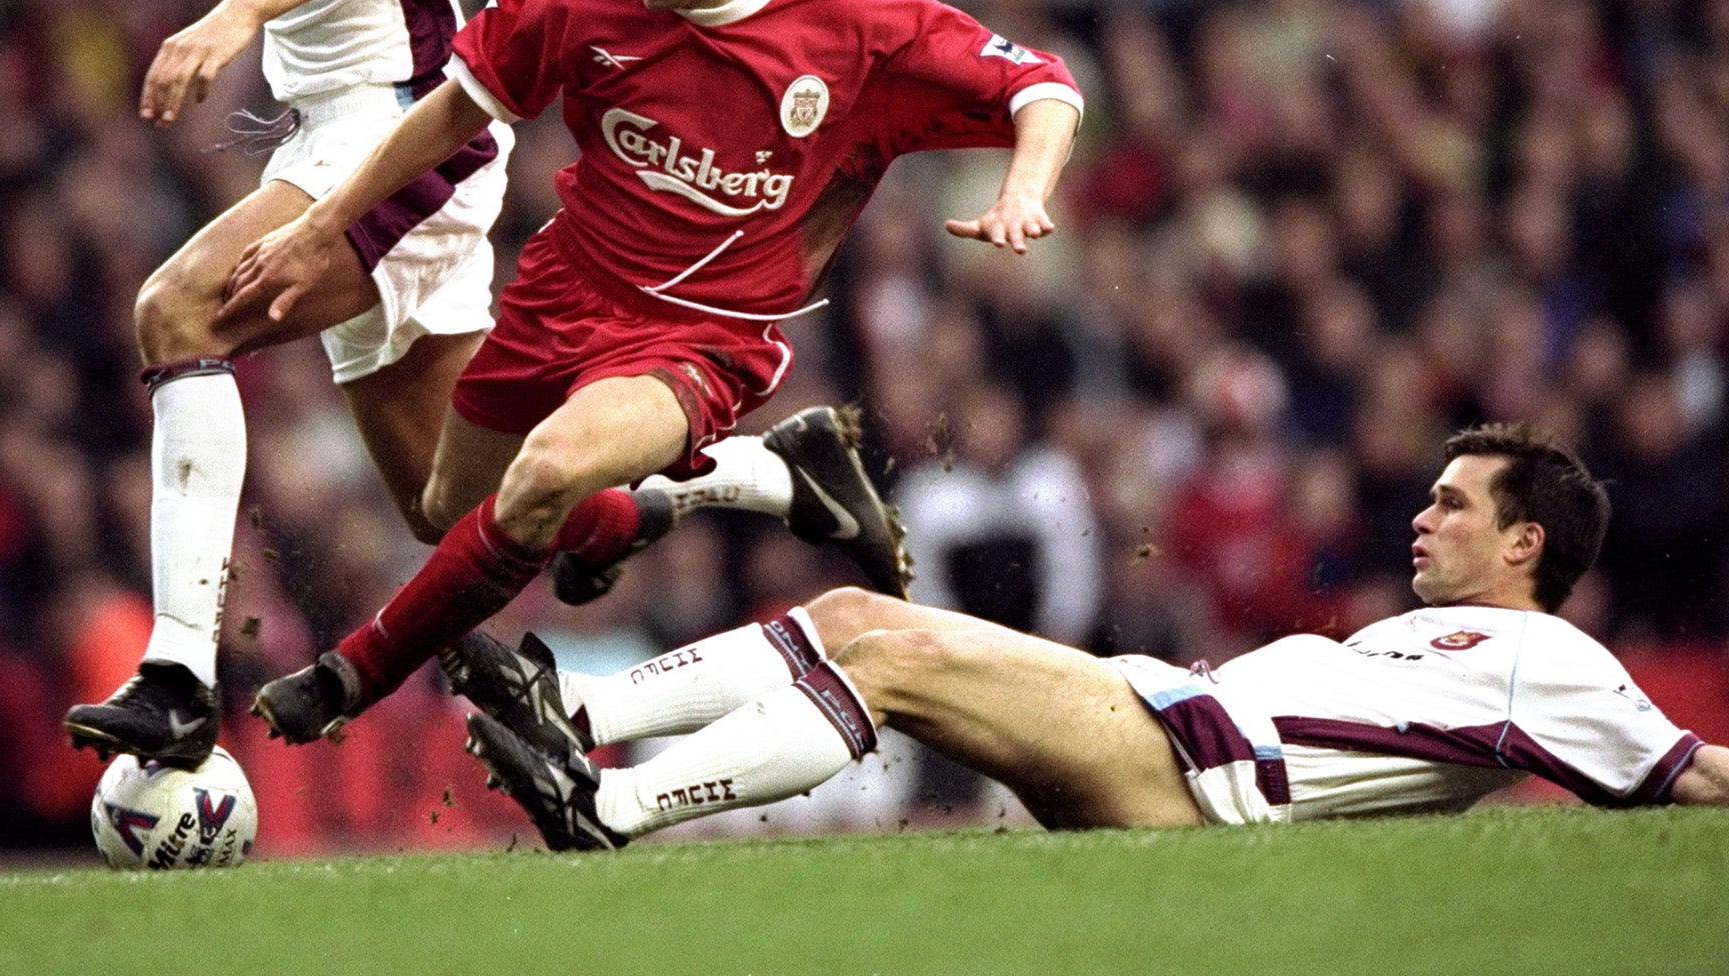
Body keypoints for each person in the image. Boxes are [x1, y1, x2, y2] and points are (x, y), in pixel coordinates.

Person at [225, 0, 1085, 745]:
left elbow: (1042, 86)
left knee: (544, 472)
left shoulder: (856, 31)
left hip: (705, 337)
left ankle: (352, 673)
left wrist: (1025, 191)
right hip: (567, 292)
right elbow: (452, 113)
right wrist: (322, 223)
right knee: (448, 510)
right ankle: (707, 495)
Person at [454, 422, 1729, 849]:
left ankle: (610, 810)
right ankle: (570, 727)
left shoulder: (1552, 659)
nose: (1420, 513)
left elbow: (1682, 771)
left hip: (1197, 771)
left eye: (1453, 502)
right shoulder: (1431, 636)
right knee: (852, 619)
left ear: (1525, 547)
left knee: (886, 657)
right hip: (1167, 726)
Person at [60, 0, 516, 766]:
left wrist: (228, 18)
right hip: (361, 125)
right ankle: (753, 479)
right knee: (457, 505)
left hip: (398, 129)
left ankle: (175, 673)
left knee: (176, 309)